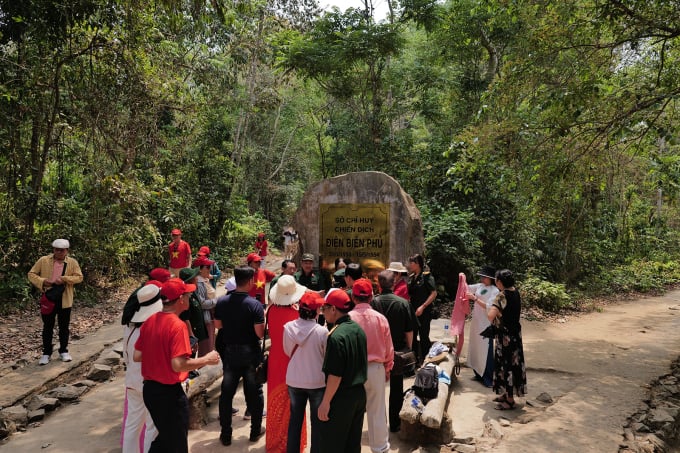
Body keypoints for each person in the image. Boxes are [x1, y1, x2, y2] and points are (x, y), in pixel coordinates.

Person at [133, 278, 220, 452]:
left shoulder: (150, 321)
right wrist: (207, 359)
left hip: (150, 391)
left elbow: (138, 355)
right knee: (176, 443)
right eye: (188, 295)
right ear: (181, 299)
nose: (190, 298)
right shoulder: (177, 326)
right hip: (169, 394)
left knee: (165, 439)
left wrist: (160, 353)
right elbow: (178, 365)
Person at [214, 266, 266, 446]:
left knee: (226, 393)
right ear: (251, 281)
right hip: (251, 352)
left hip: (230, 352)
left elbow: (218, 325)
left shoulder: (221, 301)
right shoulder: (255, 305)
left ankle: (226, 433)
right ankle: (255, 430)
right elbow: (260, 334)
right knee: (255, 392)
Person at [318, 288, 367, 453]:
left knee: (333, 444)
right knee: (353, 444)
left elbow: (335, 375)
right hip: (359, 394)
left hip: (341, 397)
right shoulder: (358, 330)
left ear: (333, 309)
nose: (323, 313)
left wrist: (325, 402)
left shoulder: (336, 336)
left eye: (324, 309)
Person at [348, 279, 393, 453]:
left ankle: (351, 447)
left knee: (352, 412)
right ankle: (380, 448)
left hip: (353, 370)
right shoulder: (380, 318)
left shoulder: (348, 319)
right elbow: (389, 348)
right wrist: (387, 368)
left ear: (353, 297)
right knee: (377, 411)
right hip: (376, 369)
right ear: (372, 296)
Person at [266, 275, 308, 453]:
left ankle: (274, 442)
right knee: (294, 403)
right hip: (292, 360)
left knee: (275, 401)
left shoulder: (270, 311)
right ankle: (294, 442)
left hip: (275, 359)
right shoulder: (296, 314)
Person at [283, 292, 327, 453]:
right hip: (317, 381)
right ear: (316, 312)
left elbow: (288, 351)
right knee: (317, 422)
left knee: (295, 420)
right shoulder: (322, 332)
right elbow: (325, 356)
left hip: (294, 380)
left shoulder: (288, 328)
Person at [28, 239, 84, 365]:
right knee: (47, 326)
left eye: (62, 250)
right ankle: (46, 353)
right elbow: (31, 274)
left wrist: (65, 279)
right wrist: (43, 281)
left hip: (65, 298)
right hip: (48, 298)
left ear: (67, 251)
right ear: (53, 249)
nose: (59, 252)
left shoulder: (72, 262)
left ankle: (63, 351)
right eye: (56, 249)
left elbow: (79, 277)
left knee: (64, 327)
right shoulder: (44, 260)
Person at [372, 270, 415, 433]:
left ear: (379, 284)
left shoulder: (373, 303)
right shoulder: (403, 303)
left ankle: (378, 425)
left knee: (377, 389)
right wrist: (408, 349)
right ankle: (395, 424)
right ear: (394, 283)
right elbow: (409, 331)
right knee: (396, 389)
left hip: (377, 352)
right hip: (396, 352)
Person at [121, 284, 162, 453]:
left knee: (133, 425)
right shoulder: (151, 329)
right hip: (148, 381)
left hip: (131, 380)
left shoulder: (130, 327)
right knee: (152, 426)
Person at [488, 269, 527, 410]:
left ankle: (510, 400)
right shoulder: (515, 292)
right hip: (515, 336)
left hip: (505, 338)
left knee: (506, 366)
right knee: (513, 365)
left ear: (499, 281)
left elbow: (490, 316)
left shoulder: (501, 296)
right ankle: (506, 394)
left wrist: (495, 310)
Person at [465, 266, 499, 388]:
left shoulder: (495, 291)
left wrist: (474, 298)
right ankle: (478, 374)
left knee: (485, 351)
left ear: (491, 279)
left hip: (486, 324)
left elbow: (489, 307)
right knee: (475, 349)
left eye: (485, 277)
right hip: (476, 322)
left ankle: (488, 378)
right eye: (482, 276)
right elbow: (466, 287)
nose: (482, 278)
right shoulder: (480, 286)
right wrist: (461, 277)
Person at [407, 254, 437, 364]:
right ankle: (414, 362)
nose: (410, 265)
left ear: (418, 264)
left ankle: (426, 361)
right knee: (413, 336)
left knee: (424, 336)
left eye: (412, 262)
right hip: (413, 311)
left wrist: (423, 306)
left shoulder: (426, 276)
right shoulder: (411, 278)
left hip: (424, 311)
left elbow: (433, 293)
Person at [193, 257, 218, 357]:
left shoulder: (205, 280)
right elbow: (202, 303)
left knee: (210, 344)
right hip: (205, 318)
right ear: (200, 269)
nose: (210, 269)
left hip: (210, 316)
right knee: (206, 347)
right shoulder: (199, 283)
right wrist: (217, 301)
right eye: (207, 267)